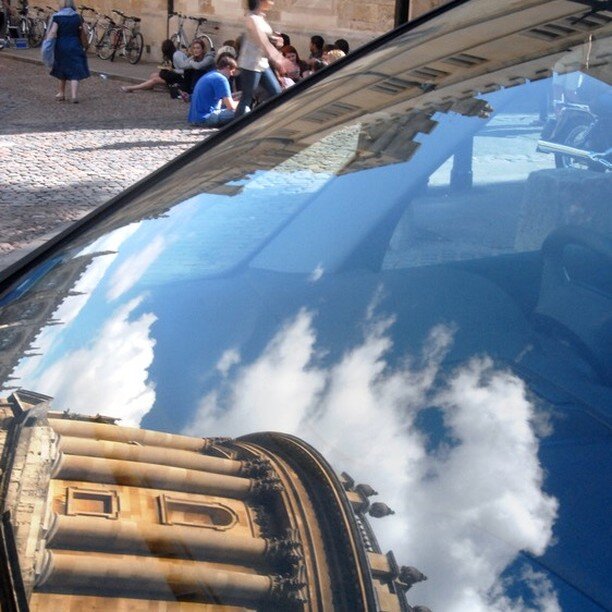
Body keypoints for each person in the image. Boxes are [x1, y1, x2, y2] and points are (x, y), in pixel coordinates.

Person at [235, 0, 292, 118]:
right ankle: (233, 130)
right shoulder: (251, 18)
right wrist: (278, 58)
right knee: (247, 97)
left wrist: (278, 41)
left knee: (276, 92)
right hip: (250, 63)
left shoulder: (260, 18)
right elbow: (262, 42)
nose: (272, 2)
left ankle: (260, 119)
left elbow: (267, 40)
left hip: (262, 62)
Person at [45, 0, 89, 103]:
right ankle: (74, 95)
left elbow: (53, 32)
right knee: (75, 70)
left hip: (61, 45)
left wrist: (47, 43)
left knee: (62, 68)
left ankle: (61, 93)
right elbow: (86, 31)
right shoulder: (78, 17)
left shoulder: (57, 17)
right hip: (75, 44)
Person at [188, 55, 239, 127]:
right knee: (245, 110)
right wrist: (240, 103)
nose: (231, 74)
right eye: (232, 71)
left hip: (195, 118)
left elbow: (217, 100)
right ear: (227, 67)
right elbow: (231, 106)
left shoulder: (211, 74)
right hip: (207, 118)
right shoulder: (221, 79)